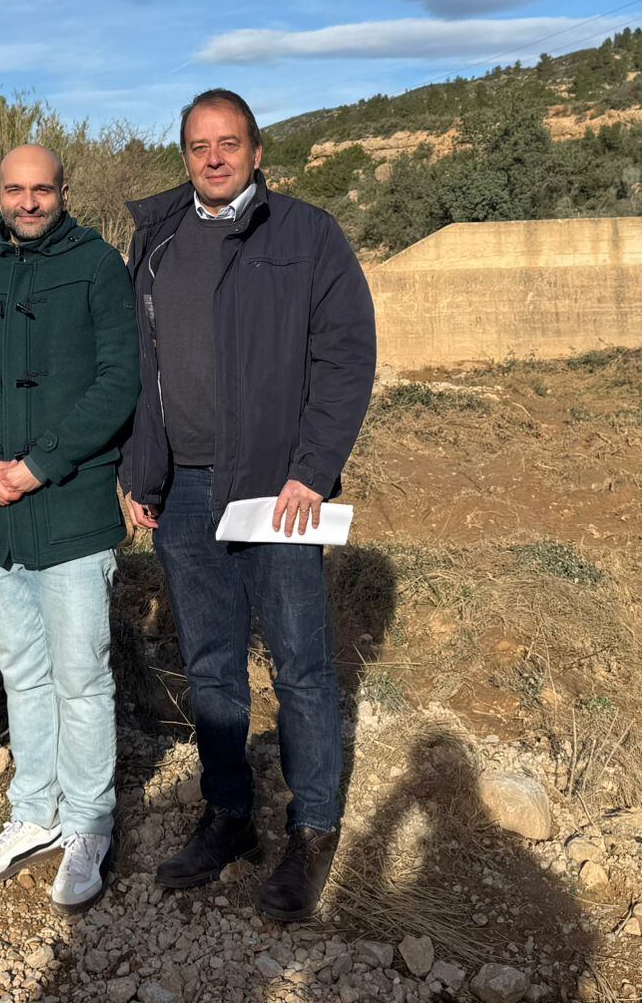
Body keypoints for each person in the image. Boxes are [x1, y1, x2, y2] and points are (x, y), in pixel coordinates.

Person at [119, 88, 376, 924]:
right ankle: (229, 814)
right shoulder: (155, 240)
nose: (216, 157)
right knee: (212, 667)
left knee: (301, 664)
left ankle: (314, 829)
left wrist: (313, 469)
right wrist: (138, 470)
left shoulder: (305, 234)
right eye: (200, 145)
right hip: (183, 490)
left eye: (231, 143)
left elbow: (346, 359)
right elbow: (141, 368)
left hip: (276, 491)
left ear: (258, 151)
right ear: (185, 156)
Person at [0, 145, 139, 910]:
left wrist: (38, 465)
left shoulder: (97, 266)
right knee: (20, 670)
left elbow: (119, 380)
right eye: (15, 190)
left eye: (42, 190)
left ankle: (89, 824)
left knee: (81, 677)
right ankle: (34, 812)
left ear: (63, 192)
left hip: (71, 511)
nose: (28, 203)